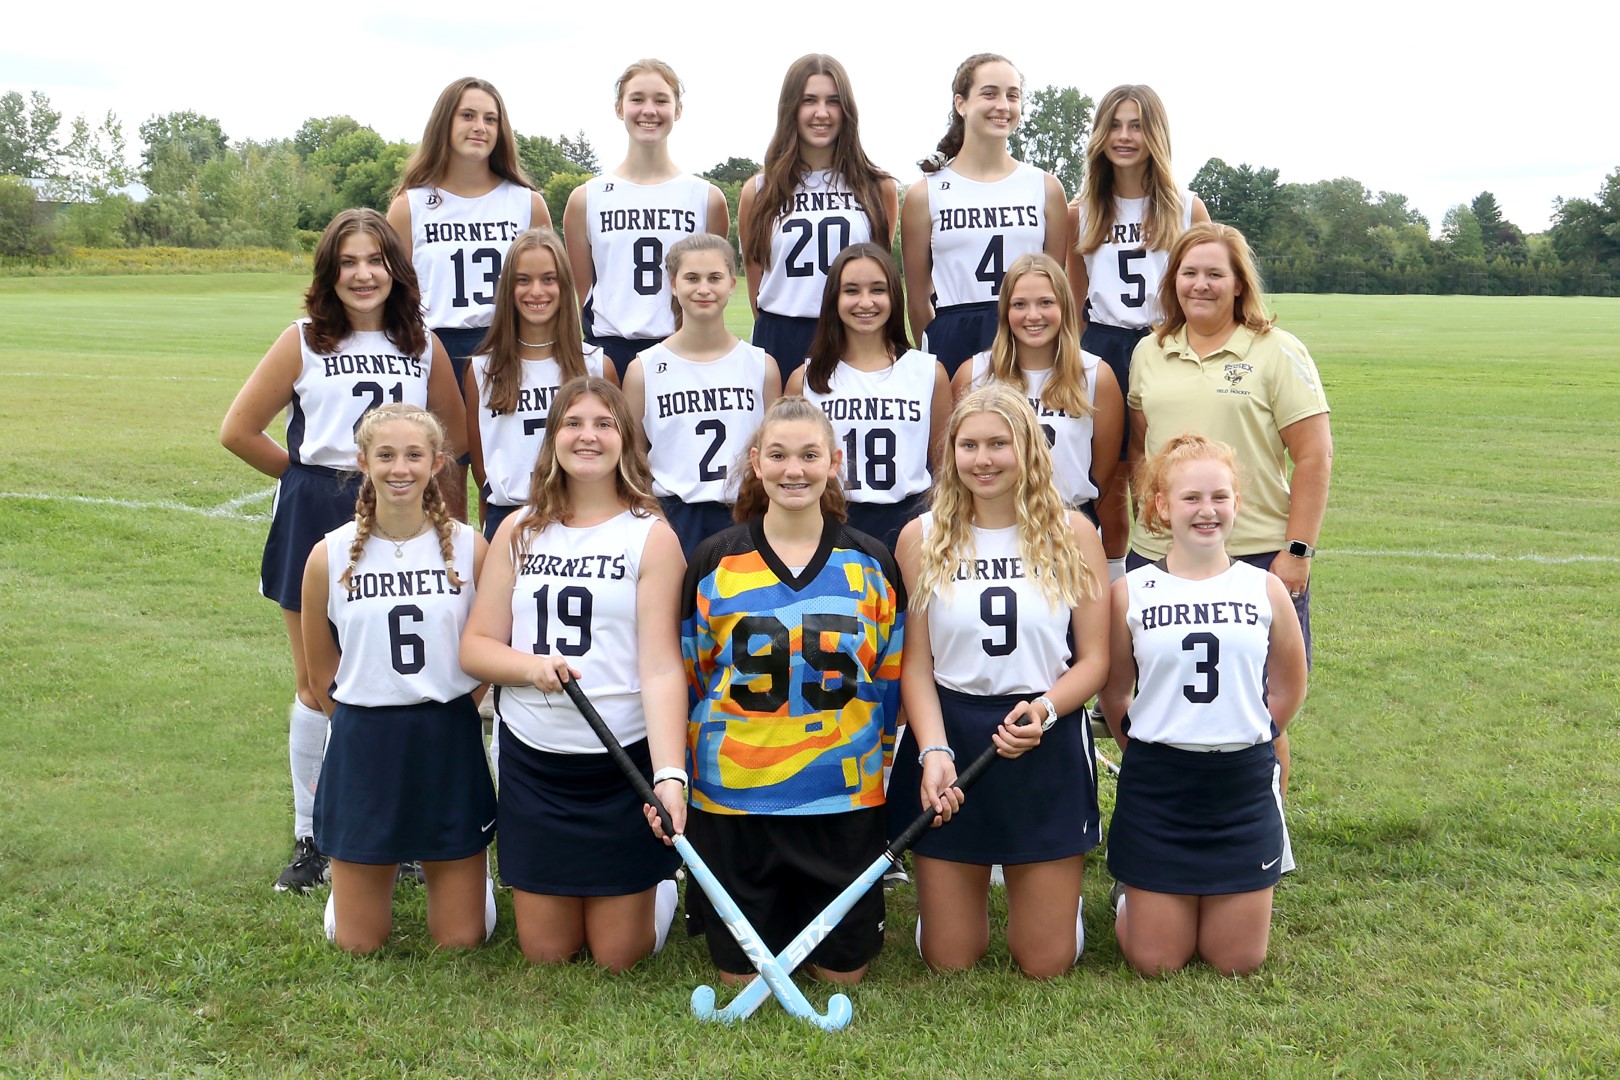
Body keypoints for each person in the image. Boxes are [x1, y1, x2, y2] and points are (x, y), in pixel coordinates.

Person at [220, 208, 465, 894]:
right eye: (348, 262)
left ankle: (401, 832)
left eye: (375, 261)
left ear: (396, 270)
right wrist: (306, 480)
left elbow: (452, 444)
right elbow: (239, 430)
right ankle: (313, 839)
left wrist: (445, 527)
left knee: (397, 678)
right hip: (317, 512)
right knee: (317, 683)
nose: (362, 274)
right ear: (329, 273)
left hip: (403, 516)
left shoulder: (423, 345)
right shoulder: (303, 339)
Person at [679, 395, 905, 986]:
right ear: (756, 462)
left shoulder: (872, 562)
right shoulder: (714, 561)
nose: (794, 470)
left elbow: (886, 679)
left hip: (842, 799)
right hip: (735, 799)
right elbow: (696, 675)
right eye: (778, 455)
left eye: (809, 455)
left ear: (834, 461)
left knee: (842, 974)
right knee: (741, 977)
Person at [460, 378, 684, 971]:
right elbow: (476, 648)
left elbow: (662, 667)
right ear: (552, 437)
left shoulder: (651, 536)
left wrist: (669, 776)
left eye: (604, 424)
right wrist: (530, 667)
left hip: (621, 760)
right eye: (574, 423)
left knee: (619, 956)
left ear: (626, 439)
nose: (589, 436)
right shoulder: (519, 529)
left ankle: (658, 884)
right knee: (547, 953)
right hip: (536, 759)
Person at [888, 383, 1109, 979]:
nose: (982, 459)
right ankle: (945, 907)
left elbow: (1095, 660)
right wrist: (933, 751)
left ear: (1028, 449)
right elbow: (916, 665)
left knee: (1045, 962)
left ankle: (1059, 907)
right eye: (968, 446)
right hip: (953, 730)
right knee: (949, 959)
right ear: (951, 453)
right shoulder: (922, 536)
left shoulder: (1073, 533)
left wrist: (1047, 710)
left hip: (1043, 731)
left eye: (998, 444)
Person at [1127, 221, 1332, 794]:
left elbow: (1314, 455)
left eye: (1215, 273)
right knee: (1161, 698)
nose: (1201, 284)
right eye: (1189, 273)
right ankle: (1166, 820)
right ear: (1173, 281)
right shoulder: (1149, 351)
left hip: (1255, 555)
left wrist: (1297, 551)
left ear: (1239, 283)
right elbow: (1142, 451)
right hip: (1160, 559)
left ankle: (1265, 828)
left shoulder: (1277, 350)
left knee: (1261, 706)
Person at [1098, 433, 1307, 975]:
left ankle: (1201, 895)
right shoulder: (1131, 591)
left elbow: (1289, 687)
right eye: (1191, 497)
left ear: (1238, 502)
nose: (1207, 510)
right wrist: (1150, 747)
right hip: (1160, 786)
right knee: (1156, 961)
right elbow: (1116, 692)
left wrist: (1246, 730)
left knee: (1236, 960)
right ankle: (1133, 896)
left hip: (1240, 785)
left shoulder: (1264, 588)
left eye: (1220, 496)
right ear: (1162, 506)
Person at [301, 403, 494, 953]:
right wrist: (369, 712)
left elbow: (484, 654)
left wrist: (448, 709)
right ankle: (348, 891)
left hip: (446, 737)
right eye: (385, 455)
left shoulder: (471, 548)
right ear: (363, 462)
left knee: (461, 940)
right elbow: (321, 671)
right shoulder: (328, 555)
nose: (400, 468)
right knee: (358, 943)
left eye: (414, 455)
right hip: (365, 741)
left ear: (437, 463)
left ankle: (473, 887)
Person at [387, 76, 550, 522]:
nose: (480, 127)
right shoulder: (411, 205)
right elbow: (393, 298)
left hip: (508, 348)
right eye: (468, 115)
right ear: (445, 122)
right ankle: (451, 565)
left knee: (511, 482)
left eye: (490, 119)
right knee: (445, 482)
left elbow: (548, 286)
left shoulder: (526, 203)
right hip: (437, 348)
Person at [1066, 85, 1209, 582]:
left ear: (1156, 134)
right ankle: (1114, 585)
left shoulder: (1187, 209)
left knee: (1171, 468)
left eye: (1137, 126)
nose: (1124, 137)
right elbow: (1074, 301)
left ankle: (1177, 577)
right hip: (1104, 344)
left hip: (1168, 344)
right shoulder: (1082, 211)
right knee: (1106, 476)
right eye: (1114, 125)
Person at [901, 53, 1069, 379]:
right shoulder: (926, 193)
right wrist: (937, 353)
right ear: (961, 104)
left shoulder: (1045, 187)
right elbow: (918, 301)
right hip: (954, 339)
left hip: (1027, 334)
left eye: (1012, 95)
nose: (1003, 106)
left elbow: (1055, 288)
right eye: (990, 94)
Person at [563, 59, 730, 381]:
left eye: (661, 100)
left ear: (678, 110)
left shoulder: (706, 198)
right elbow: (585, 291)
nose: (649, 110)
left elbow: (711, 282)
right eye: (637, 99)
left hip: (682, 348)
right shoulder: (587, 198)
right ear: (619, 108)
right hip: (609, 349)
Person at [738, 54, 899, 388]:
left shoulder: (877, 187)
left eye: (833, 101)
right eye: (809, 100)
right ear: (790, 108)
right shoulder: (760, 190)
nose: (821, 113)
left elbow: (877, 269)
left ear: (847, 110)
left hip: (853, 333)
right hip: (781, 334)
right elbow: (757, 285)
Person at [622, 233, 781, 560]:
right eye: (692, 278)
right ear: (673, 284)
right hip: (675, 516)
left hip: (746, 513)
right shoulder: (643, 370)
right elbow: (632, 461)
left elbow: (774, 452)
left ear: (732, 284)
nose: (704, 289)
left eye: (714, 278)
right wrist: (655, 519)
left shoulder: (762, 366)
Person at [786, 243, 948, 551]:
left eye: (877, 290)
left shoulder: (928, 372)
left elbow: (944, 471)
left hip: (910, 526)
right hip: (832, 525)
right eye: (851, 290)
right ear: (833, 298)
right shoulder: (804, 380)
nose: (865, 302)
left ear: (894, 296)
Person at [953, 252, 1123, 528]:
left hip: (1068, 521)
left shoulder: (1096, 375)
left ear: (1064, 306)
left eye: (1046, 302)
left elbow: (1102, 473)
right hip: (996, 523)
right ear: (1005, 311)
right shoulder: (974, 374)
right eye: (1019, 304)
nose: (1033, 316)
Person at [466, 227, 612, 541]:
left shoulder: (596, 366)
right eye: (523, 280)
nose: (536, 291)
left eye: (548, 279)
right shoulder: (483, 370)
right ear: (508, 287)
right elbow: (482, 470)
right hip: (509, 518)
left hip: (580, 517)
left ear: (564, 284)